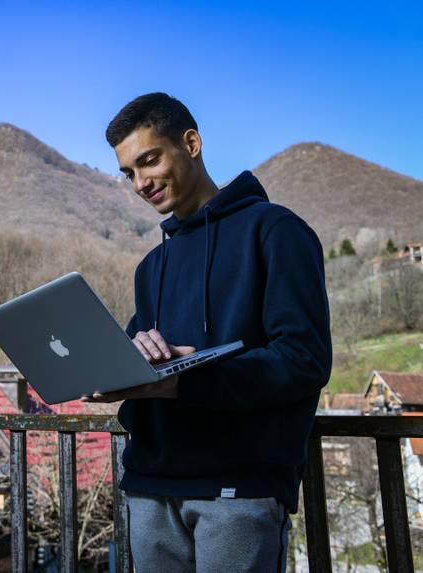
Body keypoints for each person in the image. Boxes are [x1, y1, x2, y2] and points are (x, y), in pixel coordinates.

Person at [83, 92, 332, 572]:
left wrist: (184, 378)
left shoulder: (276, 231)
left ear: (191, 143)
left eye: (148, 161)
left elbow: (304, 360)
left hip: (237, 490)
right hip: (149, 487)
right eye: (128, 173)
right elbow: (143, 363)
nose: (140, 183)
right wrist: (130, 357)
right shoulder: (150, 266)